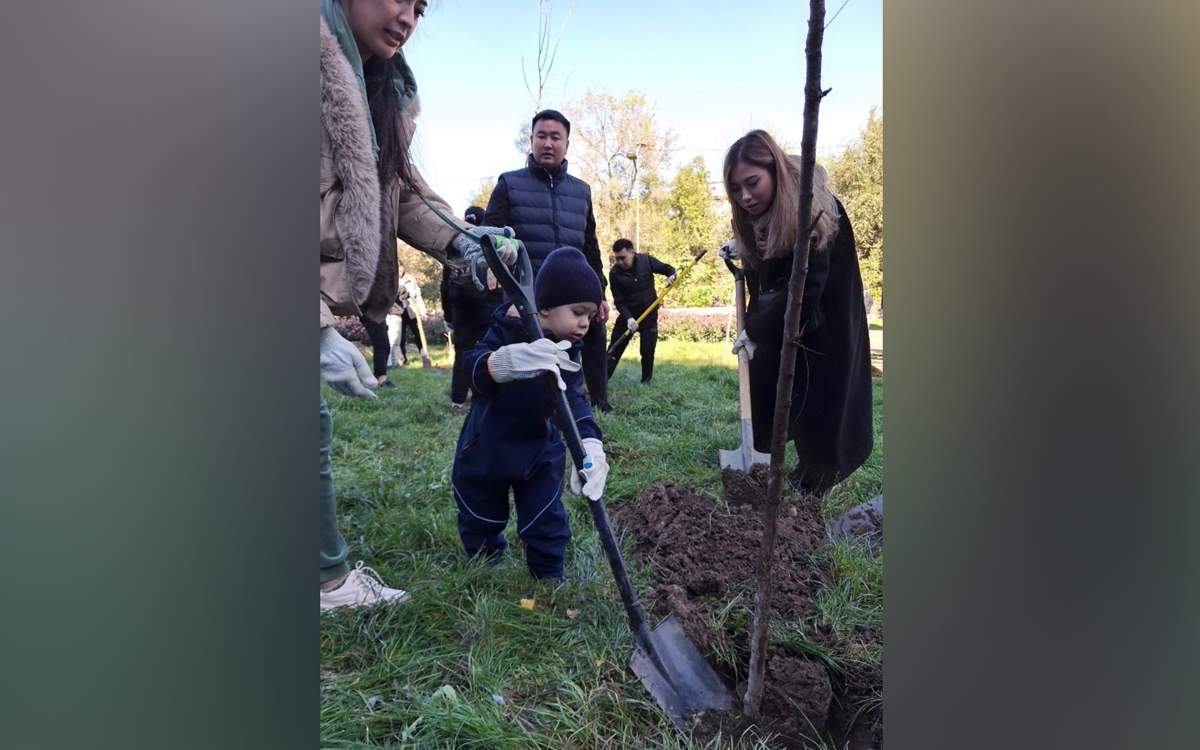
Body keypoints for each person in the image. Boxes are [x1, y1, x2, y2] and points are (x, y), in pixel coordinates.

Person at [318, 0, 515, 611]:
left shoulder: (385, 90)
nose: (407, 16)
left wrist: (469, 241)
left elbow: (400, 192)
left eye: (421, 8)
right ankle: (325, 583)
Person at [721, 129, 873, 496]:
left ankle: (816, 484)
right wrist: (742, 246)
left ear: (774, 169)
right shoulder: (768, 207)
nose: (745, 196)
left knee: (821, 405)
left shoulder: (814, 207)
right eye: (736, 189)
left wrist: (756, 330)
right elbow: (773, 266)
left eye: (752, 183)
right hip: (788, 317)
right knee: (767, 381)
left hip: (826, 321)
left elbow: (803, 289)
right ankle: (766, 460)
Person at [451, 247, 610, 581]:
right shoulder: (505, 330)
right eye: (578, 312)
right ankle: (485, 563)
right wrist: (503, 362)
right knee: (480, 512)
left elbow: (575, 401)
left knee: (546, 516)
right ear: (545, 308)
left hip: (540, 448)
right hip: (488, 443)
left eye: (590, 315)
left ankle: (549, 574)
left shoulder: (569, 351)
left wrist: (591, 443)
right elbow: (473, 367)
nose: (584, 323)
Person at [484, 109, 614, 413]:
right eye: (541, 136)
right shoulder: (509, 184)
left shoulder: (581, 192)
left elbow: (590, 246)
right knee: (529, 370)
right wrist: (492, 267)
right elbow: (488, 237)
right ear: (531, 141)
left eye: (556, 137)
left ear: (566, 144)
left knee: (591, 338)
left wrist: (601, 293)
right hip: (526, 296)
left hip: (574, 297)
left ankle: (597, 403)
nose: (548, 143)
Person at [443, 206, 504, 409]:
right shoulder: (491, 240)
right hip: (489, 304)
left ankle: (458, 399)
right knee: (491, 349)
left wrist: (447, 314)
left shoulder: (454, 243)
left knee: (462, 351)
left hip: (460, 306)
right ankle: (486, 395)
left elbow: (445, 282)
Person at [606, 238, 677, 383]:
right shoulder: (615, 273)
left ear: (632, 252)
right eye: (616, 258)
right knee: (614, 349)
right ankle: (601, 382)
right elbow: (619, 300)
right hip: (628, 317)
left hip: (649, 316)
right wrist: (628, 318)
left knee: (647, 351)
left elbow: (666, 268)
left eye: (622, 258)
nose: (619, 262)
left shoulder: (645, 260)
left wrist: (671, 275)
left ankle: (646, 381)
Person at [388, 262, 426, 366]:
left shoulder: (410, 279)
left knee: (417, 335)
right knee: (400, 338)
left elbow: (417, 295)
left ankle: (424, 356)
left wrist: (423, 312)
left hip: (411, 311)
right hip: (399, 311)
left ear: (403, 268)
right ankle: (402, 360)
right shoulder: (392, 279)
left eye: (401, 270)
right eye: (398, 270)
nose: (400, 272)